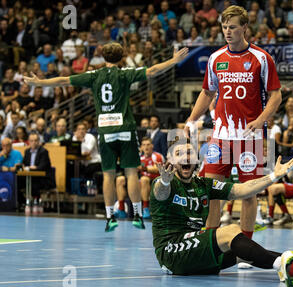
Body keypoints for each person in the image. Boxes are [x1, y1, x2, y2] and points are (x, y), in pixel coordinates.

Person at [24, 41, 188, 232]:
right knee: (131, 172)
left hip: (105, 130)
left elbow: (64, 80)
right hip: (125, 128)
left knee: (108, 175)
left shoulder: (94, 75)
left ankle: (110, 217)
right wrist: (174, 60)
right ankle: (136, 214)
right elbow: (152, 71)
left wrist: (39, 82)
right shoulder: (125, 73)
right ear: (121, 57)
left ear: (103, 57)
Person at [151, 140, 293, 287]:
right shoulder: (165, 182)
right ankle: (285, 266)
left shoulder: (203, 184)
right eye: (179, 154)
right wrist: (164, 181)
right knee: (230, 231)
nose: (186, 157)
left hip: (194, 252)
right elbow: (161, 193)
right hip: (171, 251)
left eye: (190, 153)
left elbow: (239, 190)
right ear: (170, 160)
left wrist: (274, 176)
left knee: (242, 252)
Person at [184, 5, 282, 240]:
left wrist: (260, 120)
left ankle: (246, 246)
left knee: (249, 194)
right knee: (211, 190)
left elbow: (276, 95)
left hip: (250, 137)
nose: (227, 31)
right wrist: (191, 119)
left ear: (245, 27)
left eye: (233, 27)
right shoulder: (216, 58)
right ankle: (210, 243)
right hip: (221, 135)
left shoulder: (261, 58)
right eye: (225, 27)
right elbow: (207, 92)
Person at [115, 137, 164, 219]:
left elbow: (157, 169)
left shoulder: (157, 156)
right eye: (144, 145)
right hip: (140, 182)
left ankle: (145, 209)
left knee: (144, 179)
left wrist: (143, 168)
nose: (146, 147)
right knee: (120, 179)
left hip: (155, 182)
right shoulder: (138, 158)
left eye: (148, 144)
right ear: (141, 147)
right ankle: (121, 209)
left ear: (152, 146)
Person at [19, 132, 55, 215]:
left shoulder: (44, 152)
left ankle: (35, 201)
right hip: (29, 176)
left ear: (38, 141)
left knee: (33, 182)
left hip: (42, 178)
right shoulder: (27, 151)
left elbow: (41, 167)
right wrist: (28, 168)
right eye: (31, 141)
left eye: (35, 140)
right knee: (16, 182)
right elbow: (24, 165)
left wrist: (32, 168)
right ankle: (24, 202)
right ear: (29, 141)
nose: (33, 142)